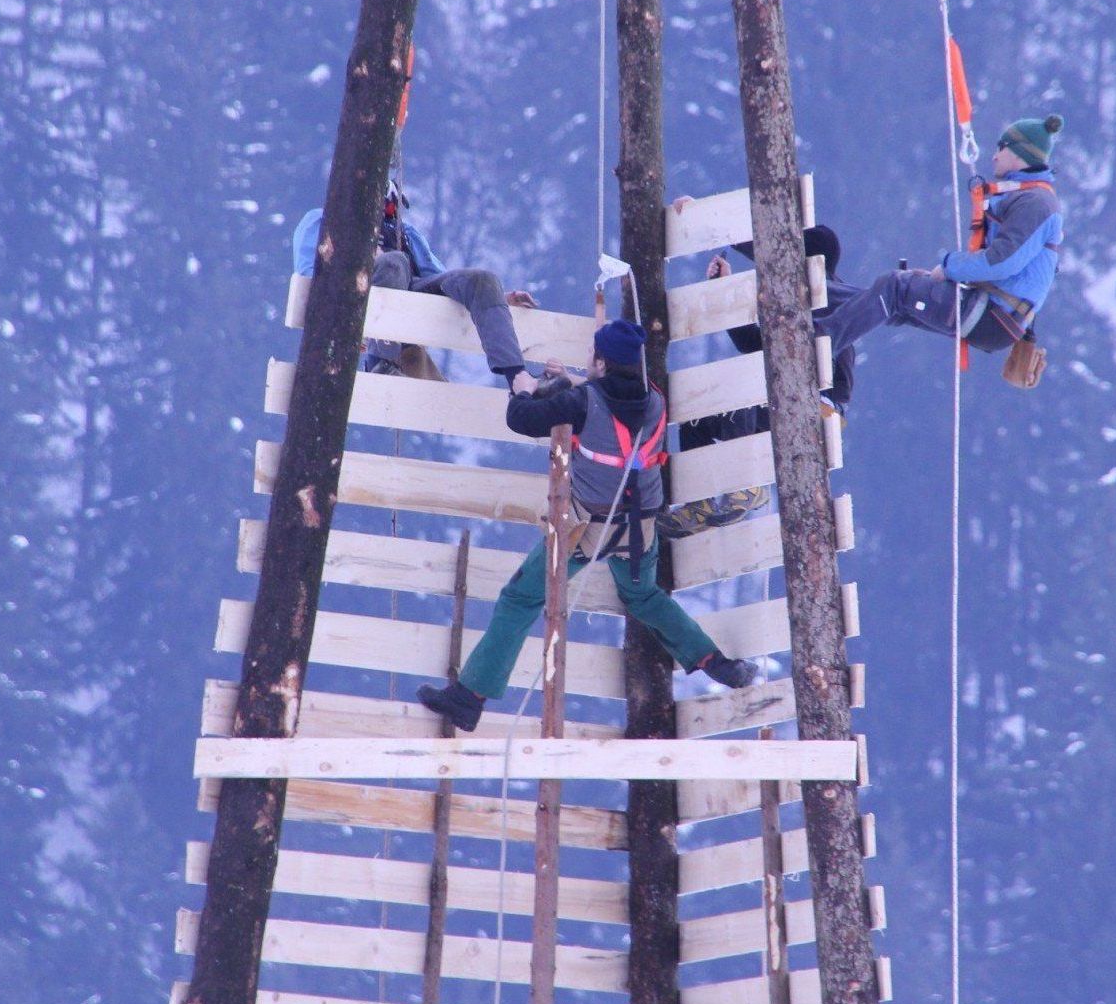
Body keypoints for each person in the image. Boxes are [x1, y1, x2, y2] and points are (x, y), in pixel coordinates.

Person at [417, 319, 759, 732]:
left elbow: (523, 419)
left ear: (599, 361)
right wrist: (567, 384)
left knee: (520, 599)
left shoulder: (582, 402)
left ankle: (470, 698)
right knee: (644, 597)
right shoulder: (654, 399)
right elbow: (600, 405)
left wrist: (523, 389)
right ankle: (713, 661)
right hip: (641, 530)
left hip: (587, 529)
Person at [659, 224, 856, 538]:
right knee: (697, 419)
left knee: (743, 391)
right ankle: (700, 502)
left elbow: (838, 386)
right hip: (783, 400)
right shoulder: (794, 298)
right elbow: (753, 344)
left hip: (817, 410)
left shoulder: (829, 297)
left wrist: (722, 231)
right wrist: (723, 291)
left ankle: (746, 482)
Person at [815, 114, 1065, 360]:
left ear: (1020, 153)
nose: (995, 155)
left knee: (896, 288)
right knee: (894, 300)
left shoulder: (1036, 204)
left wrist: (949, 268)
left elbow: (1002, 261)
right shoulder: (1031, 198)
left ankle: (818, 344)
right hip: (997, 315)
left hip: (992, 313)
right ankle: (823, 296)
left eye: (1002, 147)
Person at [293, 180, 541, 394]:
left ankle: (517, 376)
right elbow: (309, 275)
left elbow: (442, 277)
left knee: (481, 279)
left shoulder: (405, 233)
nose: (387, 211)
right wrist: (345, 319)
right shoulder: (325, 222)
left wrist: (494, 297)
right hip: (360, 296)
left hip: (409, 294)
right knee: (394, 262)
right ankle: (382, 363)